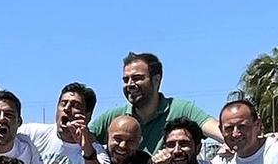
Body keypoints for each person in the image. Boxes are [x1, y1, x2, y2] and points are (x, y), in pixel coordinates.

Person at [89, 53, 222, 153]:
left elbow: (217, 130)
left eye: (137, 78)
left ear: (156, 80)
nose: (130, 84)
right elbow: (81, 140)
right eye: (125, 80)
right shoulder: (115, 117)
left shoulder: (181, 109)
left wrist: (228, 142)